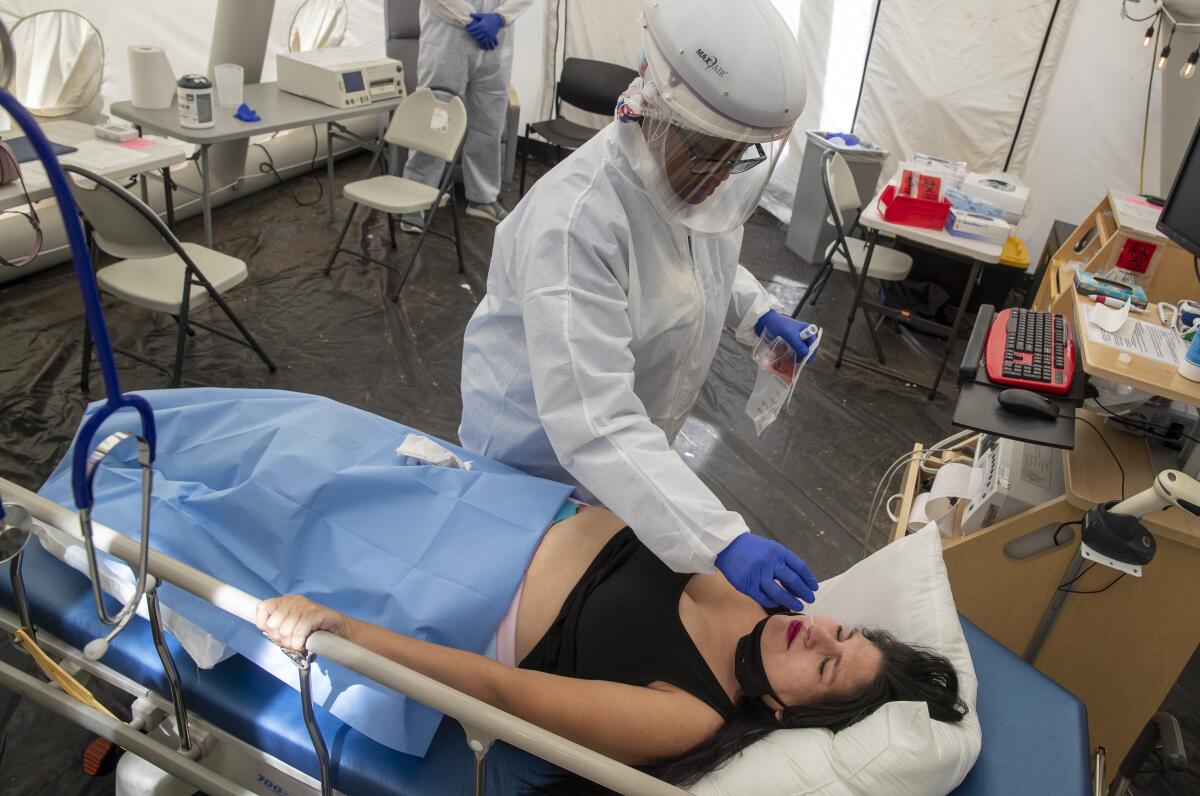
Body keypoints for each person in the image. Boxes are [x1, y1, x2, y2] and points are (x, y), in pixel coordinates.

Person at [459, 0, 824, 612]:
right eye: (713, 153)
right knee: (508, 609)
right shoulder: (577, 222)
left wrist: (756, 311)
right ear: (658, 112)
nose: (724, 174)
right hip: (533, 467)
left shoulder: (695, 174)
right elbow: (594, 418)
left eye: (741, 157)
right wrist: (720, 539)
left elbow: (695, 261)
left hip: (619, 468)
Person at [258, 505, 967, 790]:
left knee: (261, 515)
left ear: (786, 712)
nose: (816, 632)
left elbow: (498, 691)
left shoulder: (689, 715)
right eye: (839, 632)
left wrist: (346, 632)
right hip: (497, 505)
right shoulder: (765, 592)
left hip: (452, 588)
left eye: (823, 664)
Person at [400, 0, 532, 231]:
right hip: (447, 38)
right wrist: (470, 20)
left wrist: (499, 18)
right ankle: (415, 196)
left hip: (496, 41)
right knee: (436, 118)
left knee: (489, 123)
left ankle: (483, 198)